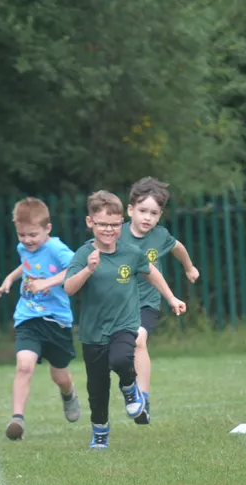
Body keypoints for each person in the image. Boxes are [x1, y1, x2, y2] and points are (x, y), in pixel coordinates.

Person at [64, 190, 186, 449]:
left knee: (121, 359)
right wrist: (89, 269)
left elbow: (151, 273)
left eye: (115, 225)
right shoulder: (83, 254)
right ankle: (100, 433)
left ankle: (131, 388)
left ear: (122, 222)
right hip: (93, 332)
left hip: (124, 324)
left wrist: (171, 298)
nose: (109, 230)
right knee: (97, 389)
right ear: (90, 223)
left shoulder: (130, 252)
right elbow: (69, 288)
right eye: (102, 225)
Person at [0, 197, 82, 440]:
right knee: (24, 366)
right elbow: (26, 265)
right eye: (21, 235)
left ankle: (69, 394)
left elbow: (76, 266)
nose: (27, 240)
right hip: (28, 317)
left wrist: (47, 282)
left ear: (47, 229)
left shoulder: (55, 248)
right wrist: (9, 280)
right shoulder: (24, 248)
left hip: (57, 321)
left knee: (59, 375)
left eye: (32, 234)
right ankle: (17, 419)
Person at [119, 177, 198, 424]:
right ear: (130, 209)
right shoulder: (116, 234)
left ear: (160, 215)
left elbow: (178, 248)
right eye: (142, 211)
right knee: (120, 353)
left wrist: (189, 267)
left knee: (139, 340)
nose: (147, 218)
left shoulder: (160, 236)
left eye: (153, 213)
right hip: (119, 304)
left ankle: (143, 399)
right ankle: (131, 391)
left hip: (147, 302)